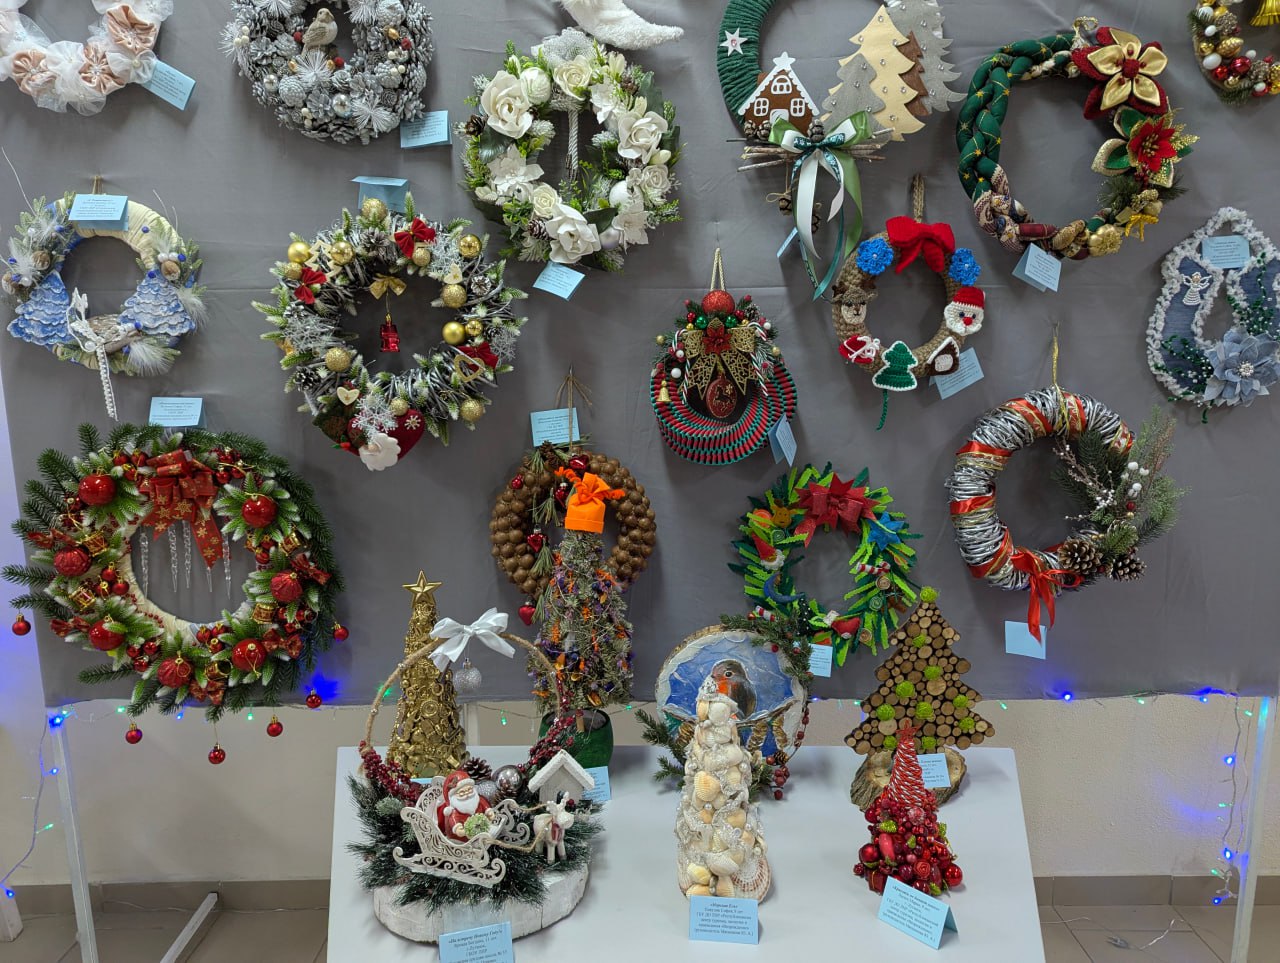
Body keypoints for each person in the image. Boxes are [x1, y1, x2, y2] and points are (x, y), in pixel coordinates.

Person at [436, 770, 491, 840]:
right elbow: (454, 819)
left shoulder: (477, 799)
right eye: (462, 792)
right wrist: (458, 828)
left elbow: (484, 805)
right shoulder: (455, 810)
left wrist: (489, 811)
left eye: (469, 790)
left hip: (480, 830)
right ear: (453, 795)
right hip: (462, 839)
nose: (467, 794)